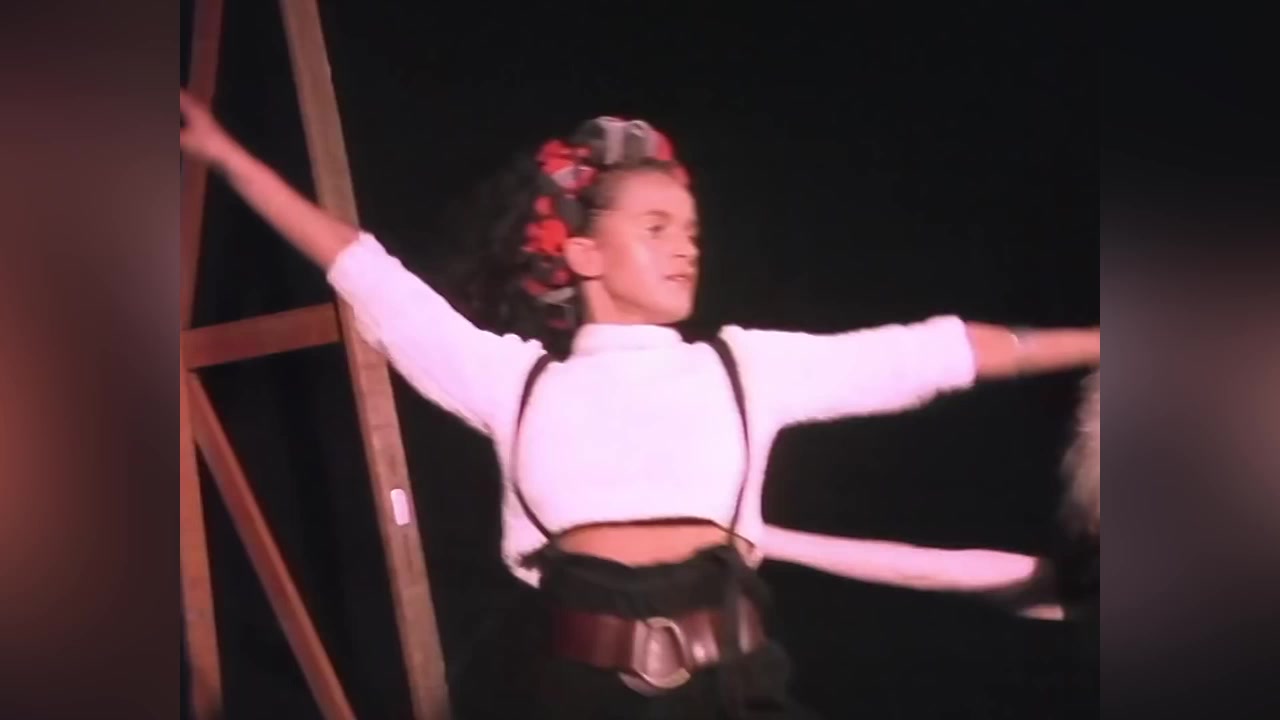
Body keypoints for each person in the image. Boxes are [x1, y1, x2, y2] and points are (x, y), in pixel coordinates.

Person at [179, 90, 1100, 719]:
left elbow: (934, 354)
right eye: (655, 227)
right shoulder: (512, 382)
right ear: (583, 254)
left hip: (740, 690)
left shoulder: (743, 370)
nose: (686, 247)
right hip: (579, 699)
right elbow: (364, 269)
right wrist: (226, 156)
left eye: (690, 230)